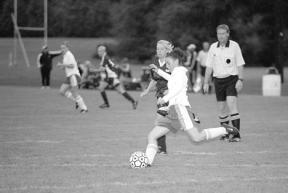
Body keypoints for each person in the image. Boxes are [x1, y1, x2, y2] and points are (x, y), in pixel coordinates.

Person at [144, 48, 239, 166]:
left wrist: (165, 98)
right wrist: (157, 70)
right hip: (172, 111)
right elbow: (170, 79)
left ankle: (224, 130)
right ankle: (147, 162)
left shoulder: (180, 73)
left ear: (176, 61)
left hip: (180, 110)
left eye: (168, 63)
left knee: (197, 138)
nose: (167, 65)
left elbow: (178, 88)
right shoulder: (176, 73)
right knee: (152, 136)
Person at [203, 24, 245, 142]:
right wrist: (206, 82)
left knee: (232, 104)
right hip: (218, 81)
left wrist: (240, 80)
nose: (220, 36)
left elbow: (240, 64)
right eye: (218, 34)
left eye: (222, 34)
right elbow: (209, 67)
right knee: (221, 108)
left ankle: (236, 135)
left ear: (228, 34)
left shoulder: (234, 46)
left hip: (232, 79)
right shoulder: (213, 47)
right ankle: (225, 133)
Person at [140, 40, 173, 154]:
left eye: (161, 49)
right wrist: (147, 90)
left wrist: (169, 91)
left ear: (167, 50)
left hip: (171, 95)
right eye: (157, 49)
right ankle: (162, 148)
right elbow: (154, 78)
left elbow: (177, 79)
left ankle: (162, 148)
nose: (158, 51)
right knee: (161, 120)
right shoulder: (155, 62)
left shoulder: (171, 62)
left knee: (161, 120)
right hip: (159, 94)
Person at [96, 45, 138, 109]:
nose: (98, 53)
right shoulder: (105, 57)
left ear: (103, 51)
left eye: (99, 51)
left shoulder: (105, 58)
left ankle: (106, 104)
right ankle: (133, 101)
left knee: (102, 88)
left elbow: (101, 69)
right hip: (112, 76)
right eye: (98, 51)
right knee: (120, 90)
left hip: (111, 76)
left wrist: (92, 70)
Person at [57, 41, 88, 113]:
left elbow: (72, 65)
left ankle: (84, 109)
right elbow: (67, 66)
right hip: (69, 76)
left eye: (64, 48)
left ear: (67, 48)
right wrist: (62, 66)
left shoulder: (69, 55)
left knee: (75, 92)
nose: (62, 49)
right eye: (61, 48)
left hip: (74, 75)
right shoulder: (65, 56)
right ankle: (76, 101)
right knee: (62, 91)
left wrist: (62, 65)